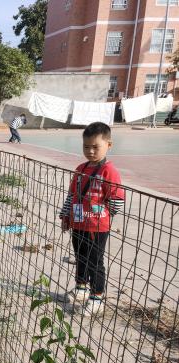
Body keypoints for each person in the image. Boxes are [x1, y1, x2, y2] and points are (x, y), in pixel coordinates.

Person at [59, 122, 125, 317]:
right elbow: (72, 195)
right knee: (80, 256)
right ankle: (81, 288)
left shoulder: (109, 171)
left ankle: (96, 298)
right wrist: (66, 215)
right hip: (78, 222)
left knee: (95, 261)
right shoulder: (80, 168)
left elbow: (117, 200)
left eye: (96, 146)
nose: (90, 151)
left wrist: (102, 216)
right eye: (86, 146)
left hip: (97, 226)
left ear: (108, 145)